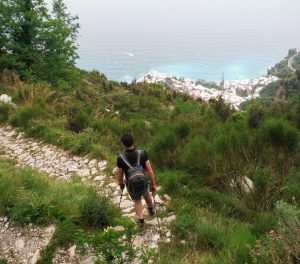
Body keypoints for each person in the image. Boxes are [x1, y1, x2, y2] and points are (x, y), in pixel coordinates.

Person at [117, 134, 158, 227]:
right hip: (143, 181)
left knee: (137, 199)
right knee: (146, 193)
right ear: (133, 142)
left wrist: (121, 184)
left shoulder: (120, 158)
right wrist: (153, 184)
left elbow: (120, 174)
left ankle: (141, 220)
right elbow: (150, 171)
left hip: (132, 184)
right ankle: (151, 208)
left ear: (123, 144)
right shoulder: (142, 153)